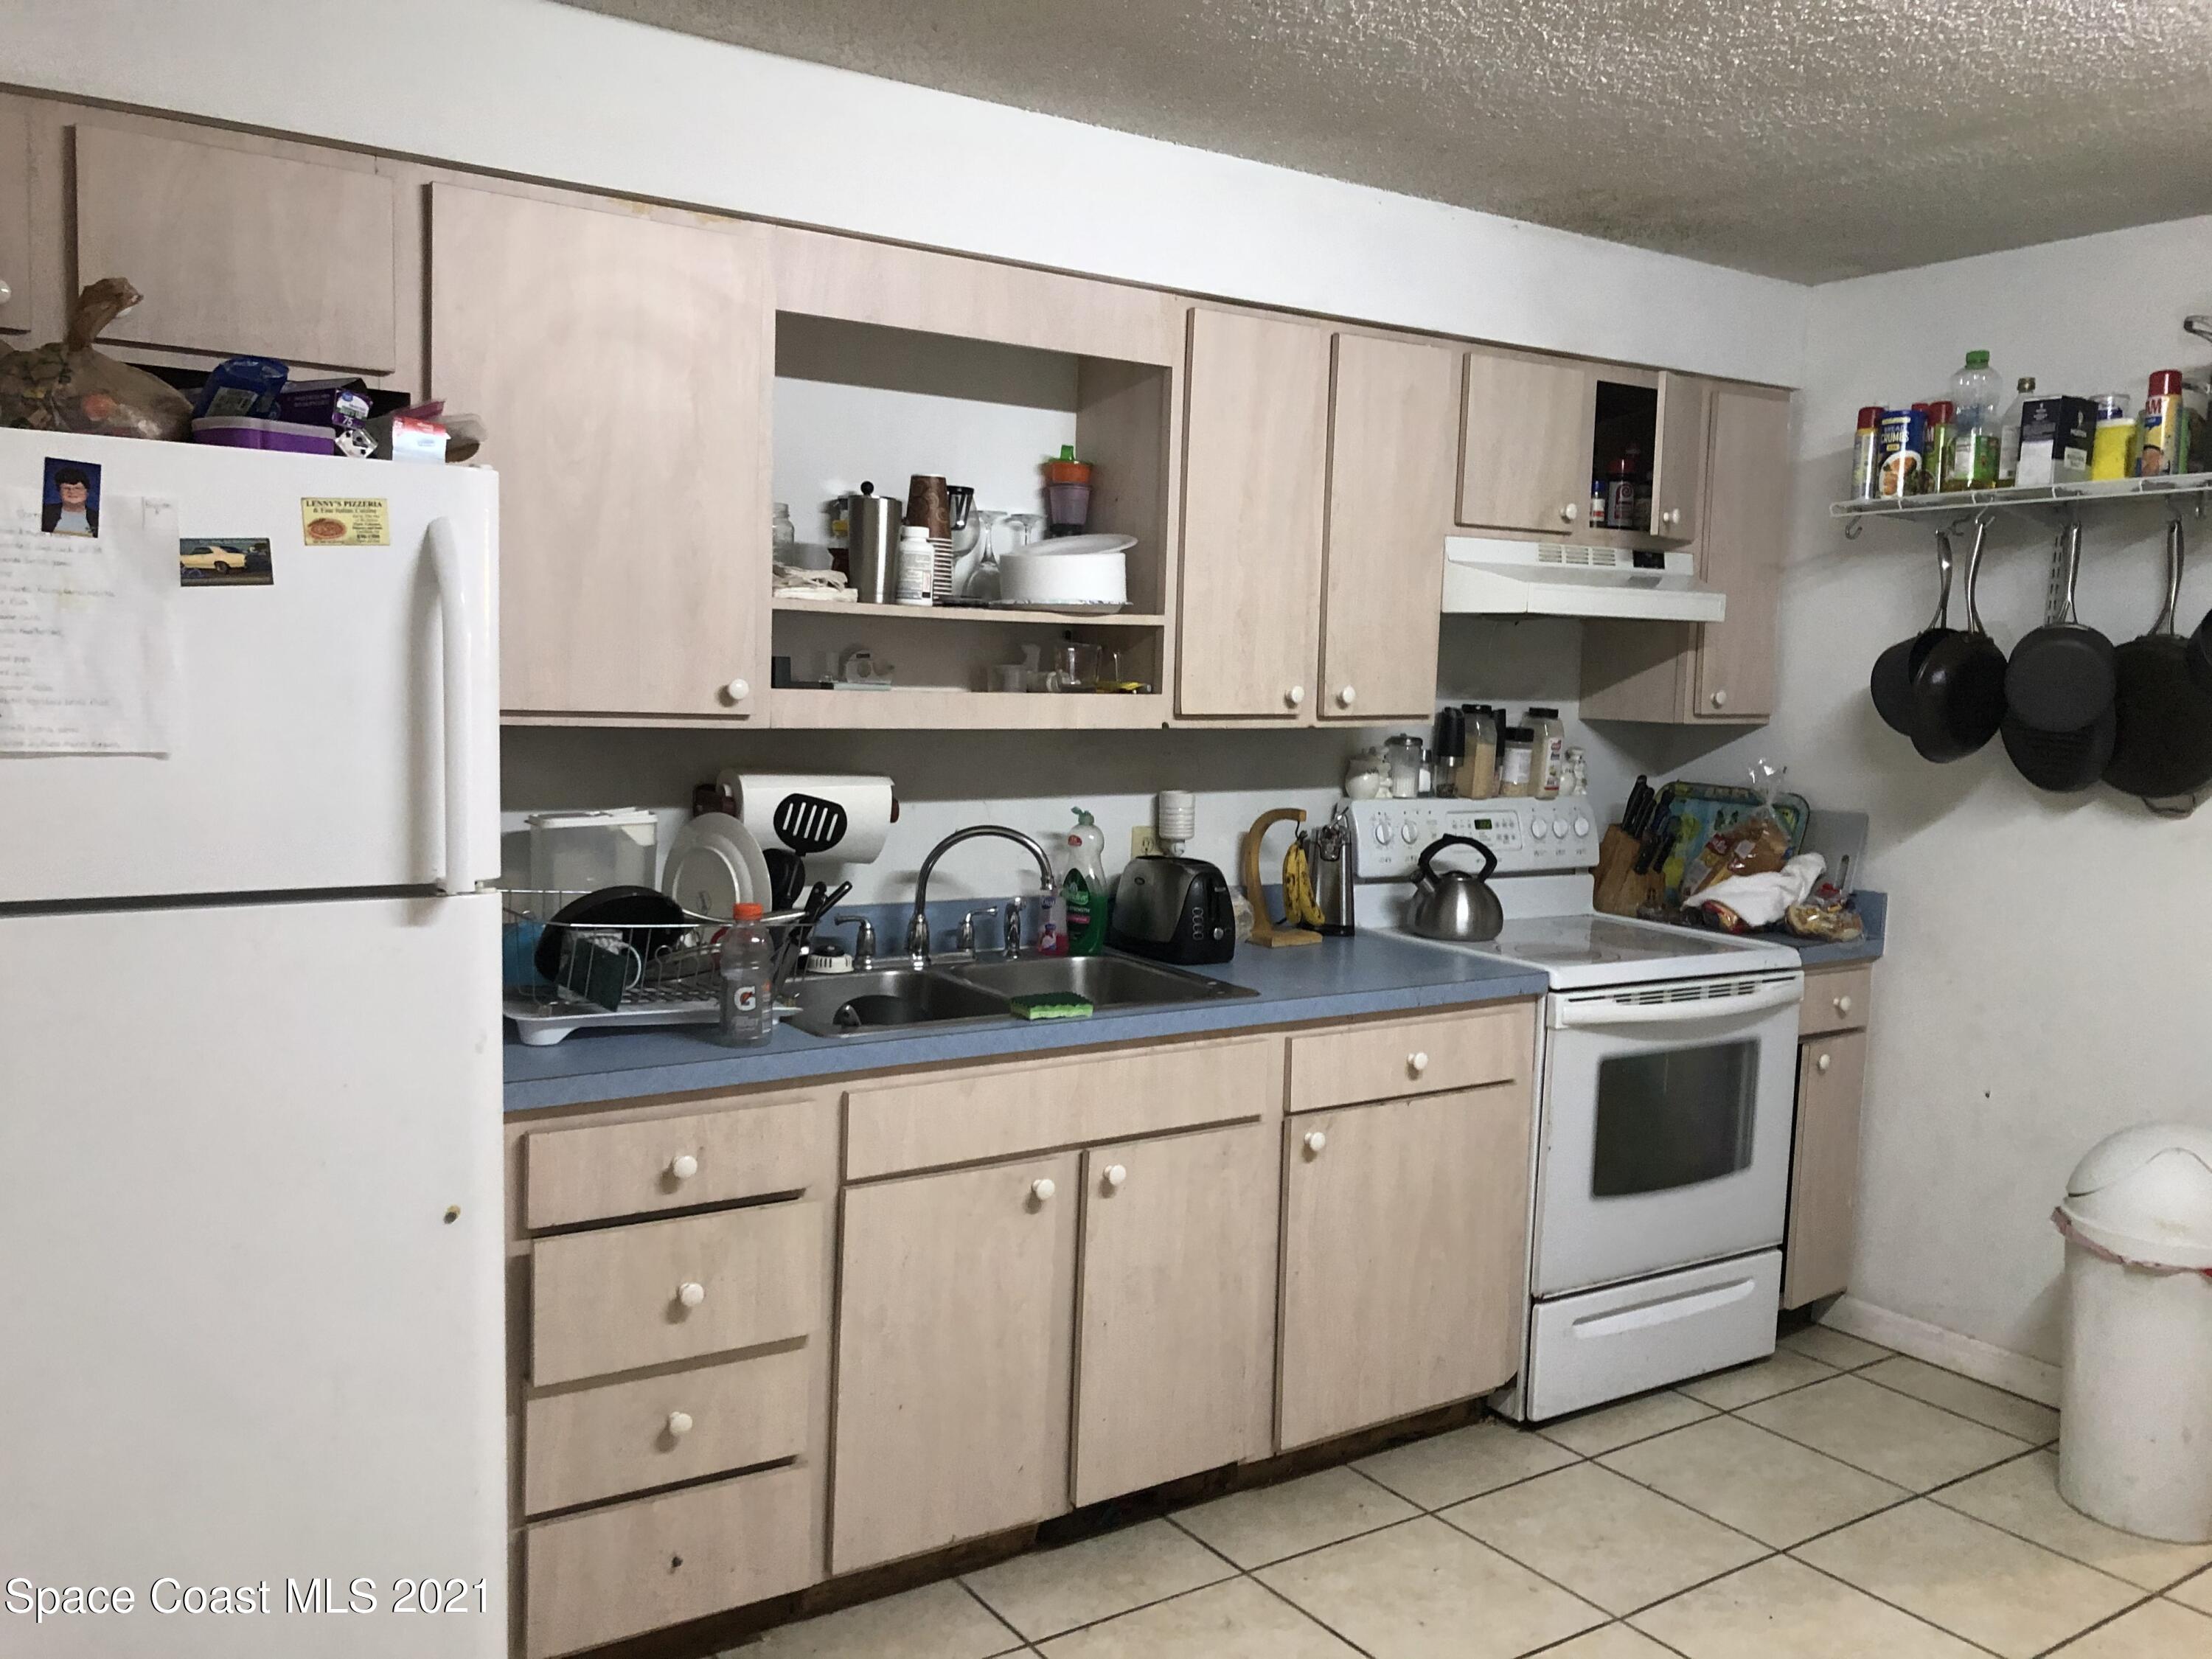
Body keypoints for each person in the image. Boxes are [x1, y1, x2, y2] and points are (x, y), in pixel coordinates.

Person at [43, 466, 97, 536]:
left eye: (77, 488)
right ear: (59, 492)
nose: (72, 492)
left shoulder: (97, 519)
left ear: (87, 493)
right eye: (66, 488)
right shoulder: (45, 513)